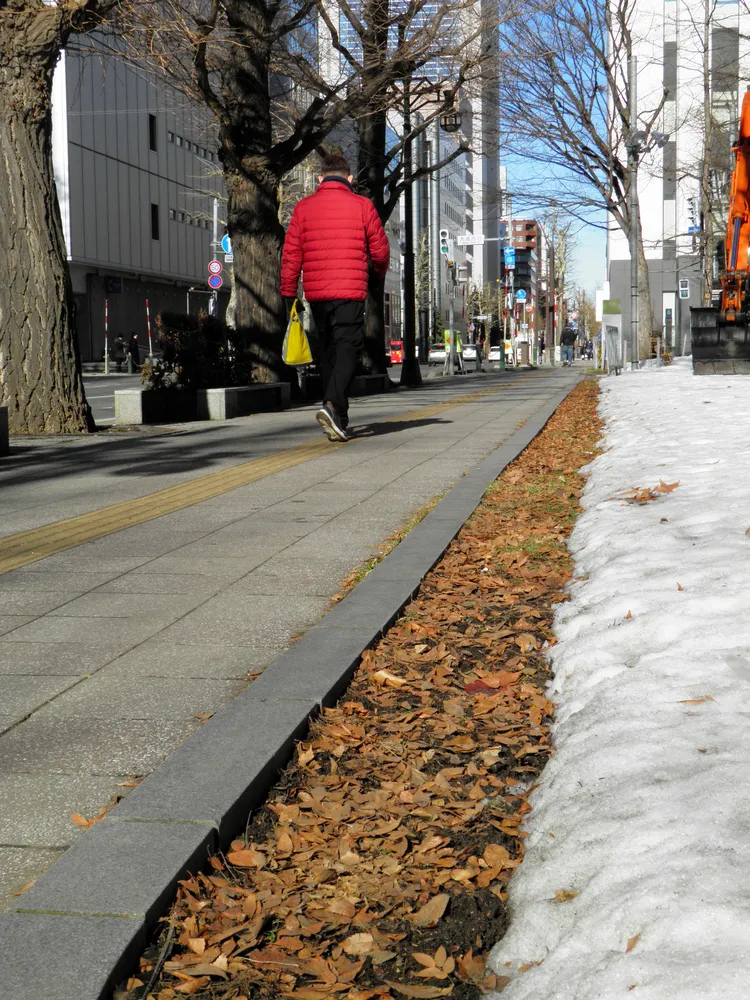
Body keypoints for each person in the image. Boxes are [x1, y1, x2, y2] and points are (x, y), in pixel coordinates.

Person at [280, 149, 390, 442]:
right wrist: (376, 276)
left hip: (317, 293)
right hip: (350, 290)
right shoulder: (363, 205)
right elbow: (381, 250)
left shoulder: (303, 208)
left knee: (329, 350)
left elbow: (291, 254)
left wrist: (289, 291)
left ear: (320, 179)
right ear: (349, 179)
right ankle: (331, 404)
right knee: (348, 348)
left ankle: (338, 417)